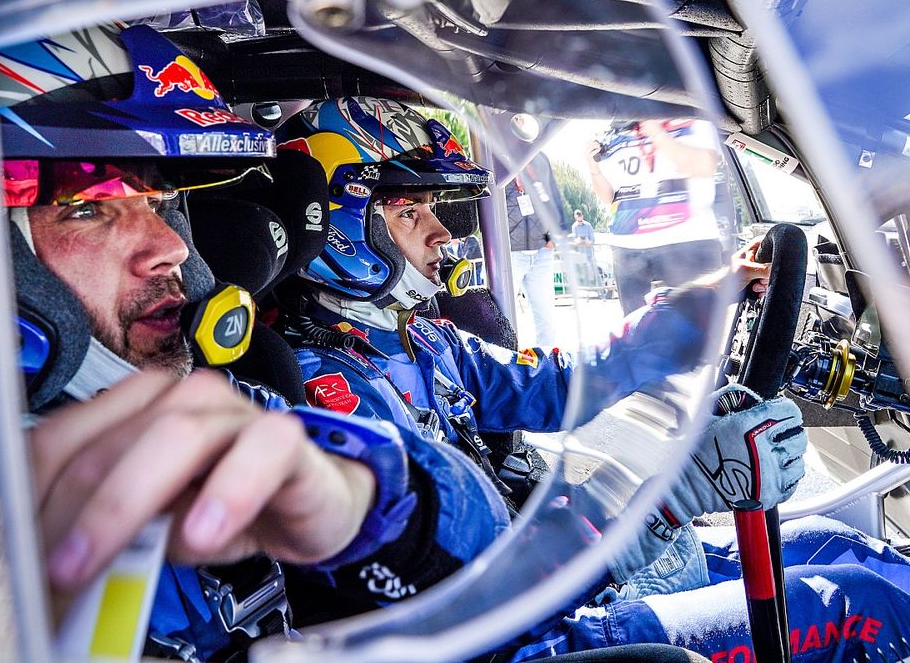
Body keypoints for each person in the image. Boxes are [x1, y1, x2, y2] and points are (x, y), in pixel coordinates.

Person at [274, 98, 910, 661]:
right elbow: (469, 600)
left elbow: (562, 387)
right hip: (527, 633)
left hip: (561, 573)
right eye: (408, 213)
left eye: (434, 209)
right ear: (338, 225)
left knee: (836, 546)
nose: (442, 233)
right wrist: (670, 499)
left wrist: (703, 306)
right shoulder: (322, 398)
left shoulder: (420, 338)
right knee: (852, 605)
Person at [0, 24, 512, 661]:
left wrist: (367, 508)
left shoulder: (202, 408)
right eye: (88, 205)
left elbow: (482, 557)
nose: (174, 249)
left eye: (163, 201)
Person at [586, 119, 726, 315]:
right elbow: (609, 197)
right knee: (635, 331)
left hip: (687, 239)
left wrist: (657, 134)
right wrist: (594, 168)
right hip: (628, 244)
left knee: (698, 329)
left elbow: (704, 166)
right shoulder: (613, 131)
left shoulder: (689, 115)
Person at [505, 151, 569, 345]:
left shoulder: (539, 155)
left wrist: (556, 233)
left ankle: (547, 363)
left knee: (546, 317)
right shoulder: (492, 152)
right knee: (502, 314)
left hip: (542, 250)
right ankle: (504, 363)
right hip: (509, 252)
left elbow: (552, 194)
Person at [568, 209, 598, 287]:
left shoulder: (588, 225)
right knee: (585, 274)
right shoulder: (574, 226)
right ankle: (588, 293)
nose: (579, 219)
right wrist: (580, 240)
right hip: (581, 254)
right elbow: (575, 241)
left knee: (596, 272)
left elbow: (593, 240)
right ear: (575, 217)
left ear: (582, 216)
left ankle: (601, 291)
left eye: (580, 216)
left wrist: (587, 242)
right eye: (578, 217)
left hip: (590, 253)